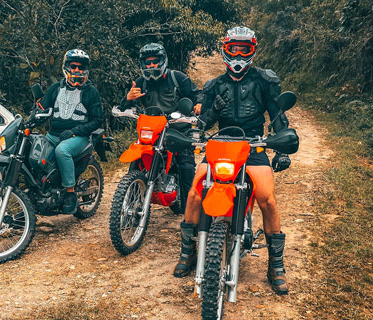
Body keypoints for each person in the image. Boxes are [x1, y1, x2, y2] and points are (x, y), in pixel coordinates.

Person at [172, 26, 292, 296]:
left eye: (244, 49)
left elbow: (277, 115)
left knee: (267, 197)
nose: (238, 54)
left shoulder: (265, 81)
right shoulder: (215, 85)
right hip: (220, 144)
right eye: (233, 49)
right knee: (194, 192)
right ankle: (188, 251)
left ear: (252, 50)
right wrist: (209, 114)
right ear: (225, 50)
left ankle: (276, 266)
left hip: (254, 145)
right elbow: (204, 123)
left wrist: (282, 146)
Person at [119, 42, 204, 214]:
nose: (151, 65)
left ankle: (190, 212)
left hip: (177, 129)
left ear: (162, 61)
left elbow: (197, 94)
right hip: (151, 130)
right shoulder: (141, 82)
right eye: (147, 63)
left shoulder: (177, 78)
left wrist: (199, 103)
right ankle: (132, 203)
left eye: (154, 61)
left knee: (186, 165)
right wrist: (127, 99)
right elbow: (123, 107)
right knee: (136, 161)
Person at [37, 49, 103, 214]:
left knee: (62, 151)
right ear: (66, 67)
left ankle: (70, 193)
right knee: (35, 150)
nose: (77, 71)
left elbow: (97, 121)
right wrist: (32, 119)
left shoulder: (91, 92)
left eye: (81, 67)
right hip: (53, 135)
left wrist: (75, 131)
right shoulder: (55, 88)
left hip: (79, 137)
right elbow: (42, 109)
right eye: (73, 66)